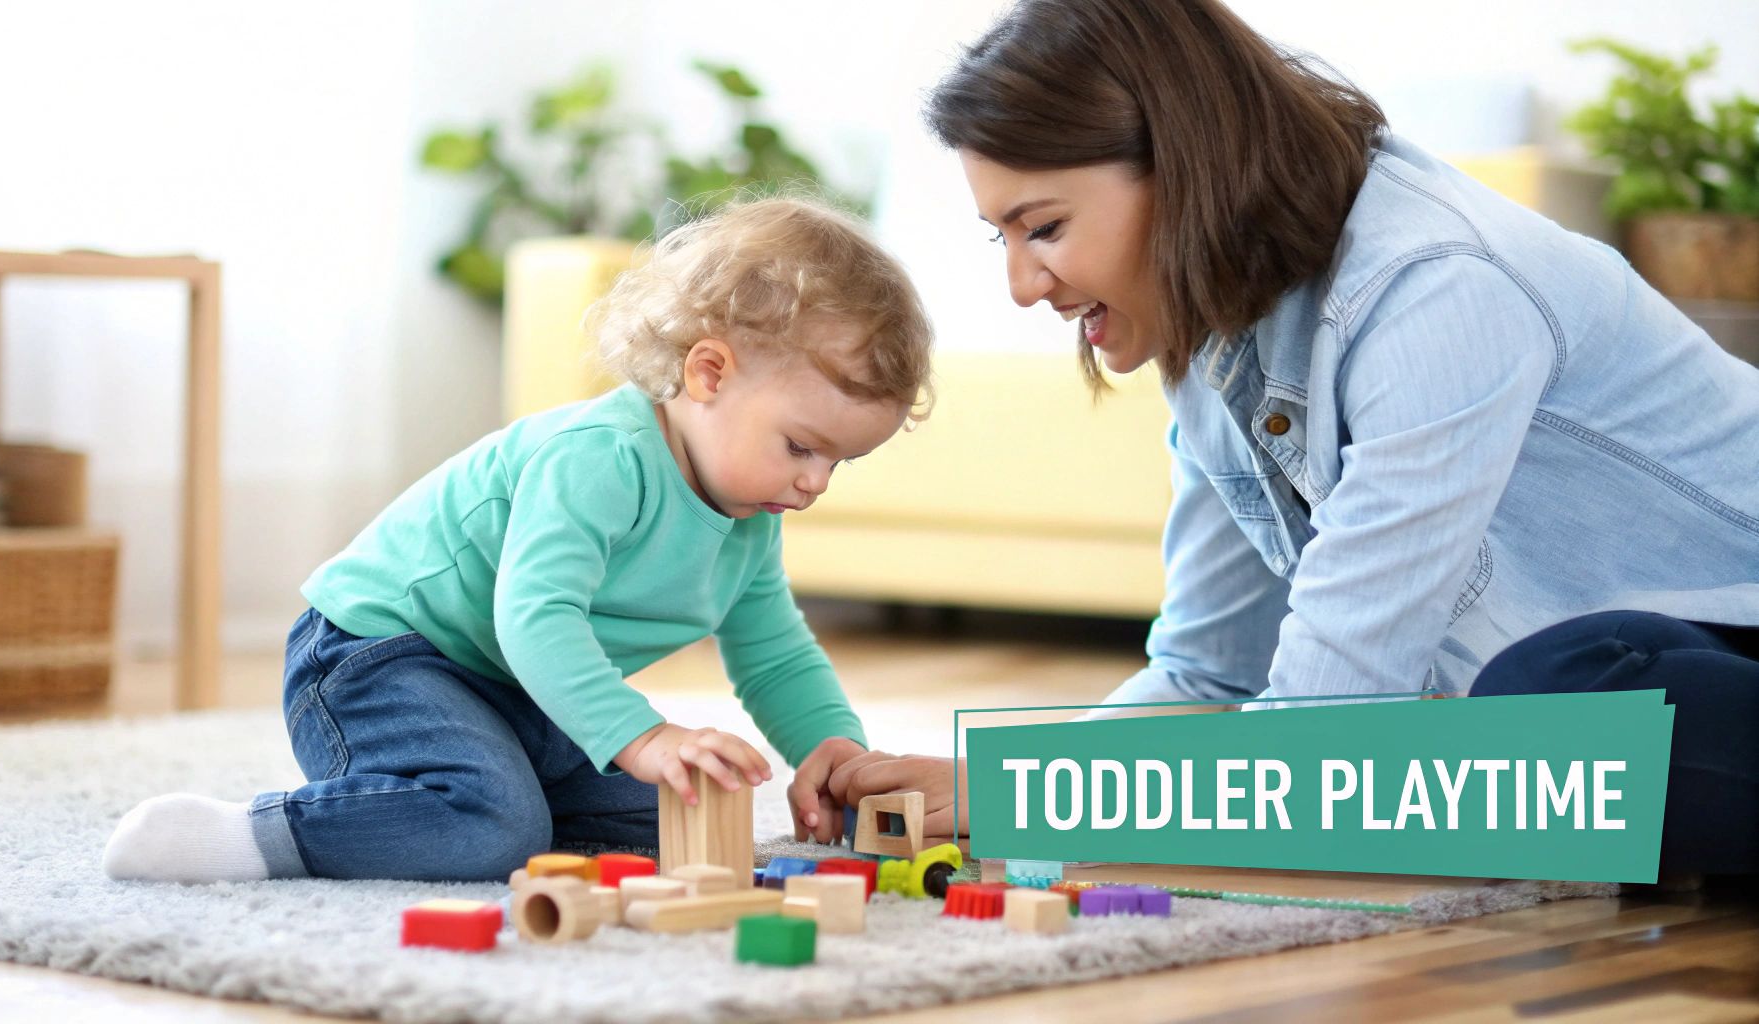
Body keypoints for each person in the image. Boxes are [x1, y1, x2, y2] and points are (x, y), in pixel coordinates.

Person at [827, 0, 1759, 875]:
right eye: (1005, 239)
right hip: (1642, 668)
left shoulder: (1435, 288)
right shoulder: (1212, 344)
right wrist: (995, 783)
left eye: (1046, 228)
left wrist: (1034, 798)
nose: (1026, 287)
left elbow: (1320, 729)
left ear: (1185, 168)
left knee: (1547, 709)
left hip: (1711, 642)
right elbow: (1208, 677)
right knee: (1506, 748)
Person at [102, 197, 934, 883]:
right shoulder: (598, 458)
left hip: (516, 696)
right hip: (377, 659)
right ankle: (246, 835)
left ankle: (454, 794)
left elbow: (774, 653)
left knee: (676, 817)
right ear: (708, 374)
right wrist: (643, 735)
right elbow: (536, 620)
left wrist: (834, 747)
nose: (815, 483)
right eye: (801, 447)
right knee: (490, 829)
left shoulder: (746, 517)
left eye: (840, 462)